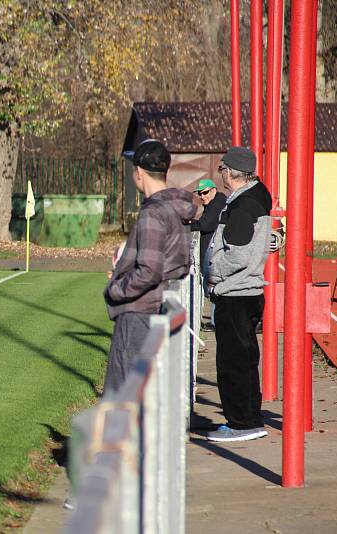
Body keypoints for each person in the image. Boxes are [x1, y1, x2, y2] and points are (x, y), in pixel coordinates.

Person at [103, 139, 195, 393]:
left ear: (140, 173)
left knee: (123, 391)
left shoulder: (153, 213)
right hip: (158, 306)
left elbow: (149, 271)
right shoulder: (175, 208)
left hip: (139, 313)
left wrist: (116, 288)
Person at [206, 146, 272, 442]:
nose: (220, 174)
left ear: (231, 172)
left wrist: (214, 273)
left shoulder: (243, 205)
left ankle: (241, 423)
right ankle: (248, 419)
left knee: (233, 363)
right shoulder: (252, 200)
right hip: (245, 291)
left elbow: (238, 255)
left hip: (236, 292)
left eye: (222, 169)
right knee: (244, 359)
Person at [190, 178, 227, 331]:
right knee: (214, 289)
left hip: (215, 254)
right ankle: (215, 321)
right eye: (200, 194)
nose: (202, 196)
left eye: (205, 193)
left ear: (213, 190)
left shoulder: (217, 204)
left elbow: (205, 224)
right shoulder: (213, 203)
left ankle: (216, 323)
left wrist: (184, 225)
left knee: (215, 289)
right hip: (213, 252)